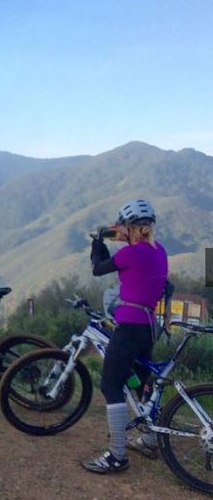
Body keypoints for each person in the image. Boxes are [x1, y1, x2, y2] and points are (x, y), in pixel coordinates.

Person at [84, 198, 168, 473]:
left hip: (129, 325)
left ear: (130, 226)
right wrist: (120, 236)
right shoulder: (160, 251)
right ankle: (148, 438)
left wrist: (97, 243)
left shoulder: (131, 253)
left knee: (110, 385)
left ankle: (116, 455)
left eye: (123, 226)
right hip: (148, 327)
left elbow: (98, 268)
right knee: (139, 382)